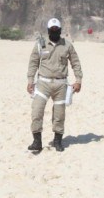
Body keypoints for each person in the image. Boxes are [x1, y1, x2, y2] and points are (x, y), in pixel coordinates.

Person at [26, 18, 82, 152]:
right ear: (48, 31)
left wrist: (78, 80)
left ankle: (58, 141)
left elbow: (75, 63)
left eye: (57, 30)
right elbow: (33, 62)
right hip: (43, 84)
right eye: (52, 30)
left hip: (61, 85)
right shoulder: (40, 44)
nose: (55, 32)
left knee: (59, 115)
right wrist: (30, 81)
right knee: (36, 111)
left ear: (60, 30)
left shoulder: (67, 45)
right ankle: (37, 141)